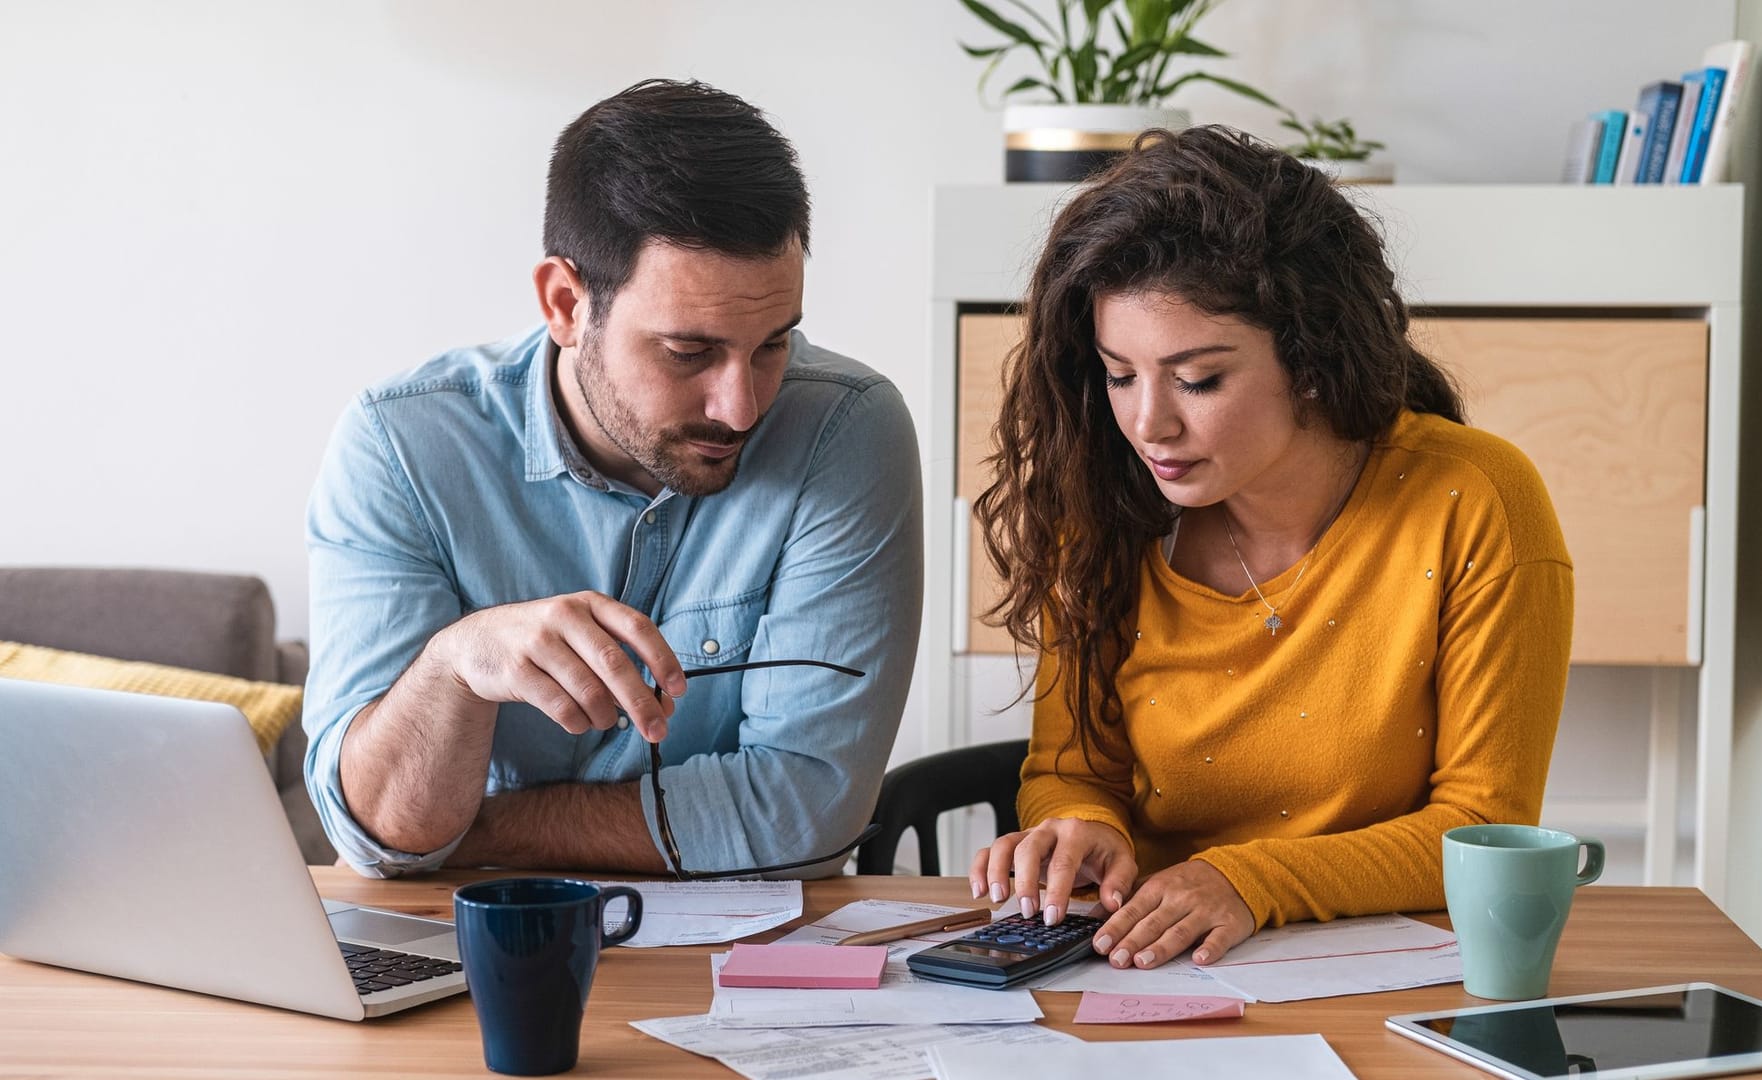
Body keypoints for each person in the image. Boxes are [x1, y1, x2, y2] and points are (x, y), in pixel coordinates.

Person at [968, 126, 1573, 970]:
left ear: (1313, 357)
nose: (1149, 424)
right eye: (1119, 374)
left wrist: (1249, 881)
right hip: (1145, 964)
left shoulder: (1476, 501)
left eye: (1198, 379)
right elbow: (1072, 770)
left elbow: (1479, 826)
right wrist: (1084, 829)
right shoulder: (1102, 507)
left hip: (1376, 973)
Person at [302, 80, 922, 880]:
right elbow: (377, 830)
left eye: (773, 344)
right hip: (468, 954)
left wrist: (471, 832)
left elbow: (805, 814)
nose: (740, 408)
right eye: (688, 353)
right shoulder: (400, 448)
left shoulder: (846, 430)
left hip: (740, 972)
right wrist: (455, 666)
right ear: (565, 303)